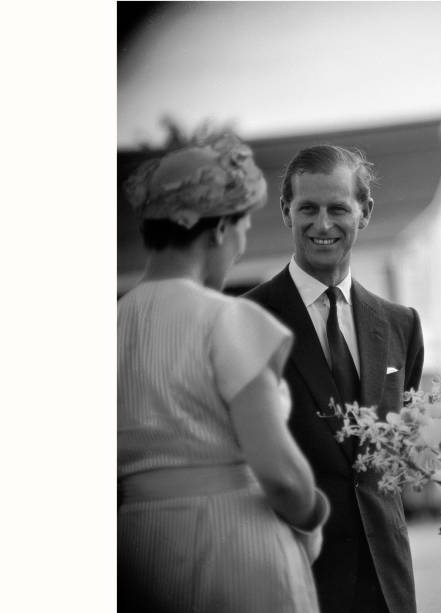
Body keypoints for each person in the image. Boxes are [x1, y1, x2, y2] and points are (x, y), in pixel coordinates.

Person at [118, 134, 329, 613]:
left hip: (134, 553)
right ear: (217, 231)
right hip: (235, 546)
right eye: (243, 228)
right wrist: (313, 515)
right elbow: (282, 478)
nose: (239, 246)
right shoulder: (227, 320)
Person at [245, 144, 424, 613]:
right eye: (308, 208)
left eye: (338, 208)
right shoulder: (246, 319)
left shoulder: (402, 325)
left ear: (365, 213)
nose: (322, 225)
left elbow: (402, 449)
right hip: (294, 578)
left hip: (389, 582)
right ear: (286, 211)